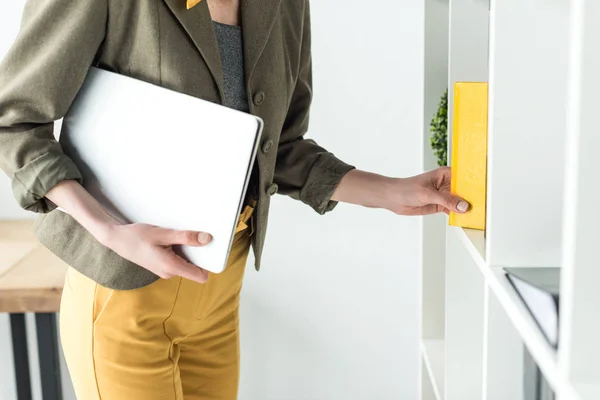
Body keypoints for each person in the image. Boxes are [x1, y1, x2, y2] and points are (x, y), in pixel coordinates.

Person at [0, 0, 468, 399]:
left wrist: (390, 191)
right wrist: (110, 230)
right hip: (124, 291)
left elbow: (276, 147)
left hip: (220, 292)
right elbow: (15, 121)